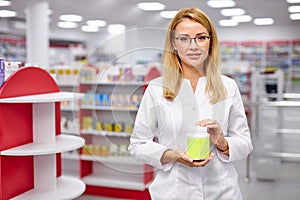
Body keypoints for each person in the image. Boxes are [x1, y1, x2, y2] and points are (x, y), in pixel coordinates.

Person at [128, 7, 253, 200]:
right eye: (184, 38)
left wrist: (222, 143)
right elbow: (137, 144)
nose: (193, 46)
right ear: (174, 44)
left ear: (211, 42)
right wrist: (171, 155)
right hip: (173, 191)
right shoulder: (156, 88)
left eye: (201, 37)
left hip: (222, 191)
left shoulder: (228, 86)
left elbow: (245, 143)